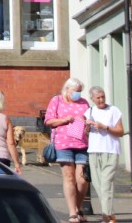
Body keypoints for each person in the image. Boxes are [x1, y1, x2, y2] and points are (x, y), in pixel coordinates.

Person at [45, 77, 91, 223]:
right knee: (69, 177)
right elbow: (48, 121)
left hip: (82, 143)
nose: (78, 94)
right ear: (67, 89)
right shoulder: (57, 100)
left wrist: (88, 124)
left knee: (82, 179)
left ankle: (78, 207)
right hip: (63, 144)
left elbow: (89, 120)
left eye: (80, 91)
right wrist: (65, 120)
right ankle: (73, 212)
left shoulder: (84, 103)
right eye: (76, 91)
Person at [85, 86, 124, 223]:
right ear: (92, 99)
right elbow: (85, 133)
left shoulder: (113, 110)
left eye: (103, 97)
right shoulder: (89, 111)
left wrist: (105, 127)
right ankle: (110, 216)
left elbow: (120, 132)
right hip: (94, 151)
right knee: (98, 185)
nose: (101, 100)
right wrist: (87, 126)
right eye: (98, 98)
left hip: (110, 150)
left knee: (106, 184)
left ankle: (106, 216)